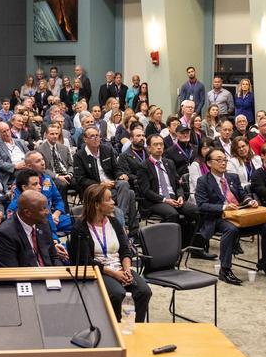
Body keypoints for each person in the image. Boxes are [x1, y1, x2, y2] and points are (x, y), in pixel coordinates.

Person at [69, 184, 151, 322]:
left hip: (120, 267)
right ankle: (114, 330)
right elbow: (85, 261)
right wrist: (114, 273)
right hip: (99, 271)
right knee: (118, 294)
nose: (113, 202)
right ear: (96, 204)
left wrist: (127, 270)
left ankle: (136, 328)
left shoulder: (114, 222)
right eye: (108, 199)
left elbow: (125, 250)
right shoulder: (80, 228)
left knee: (144, 291)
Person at [192, 148, 252, 284]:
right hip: (218, 217)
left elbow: (243, 195)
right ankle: (225, 270)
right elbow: (201, 205)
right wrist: (224, 207)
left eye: (224, 160)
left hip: (238, 214)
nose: (223, 163)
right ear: (208, 163)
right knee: (231, 229)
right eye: (218, 160)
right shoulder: (203, 181)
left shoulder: (232, 177)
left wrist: (249, 200)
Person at [137, 133, 198, 247]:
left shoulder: (169, 163)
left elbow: (177, 184)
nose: (159, 147)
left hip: (174, 198)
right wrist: (165, 200)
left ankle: (191, 246)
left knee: (196, 211)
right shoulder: (144, 166)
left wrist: (180, 196)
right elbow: (146, 191)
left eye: (161, 144)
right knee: (172, 214)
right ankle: (166, 245)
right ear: (149, 148)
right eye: (155, 145)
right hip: (155, 201)